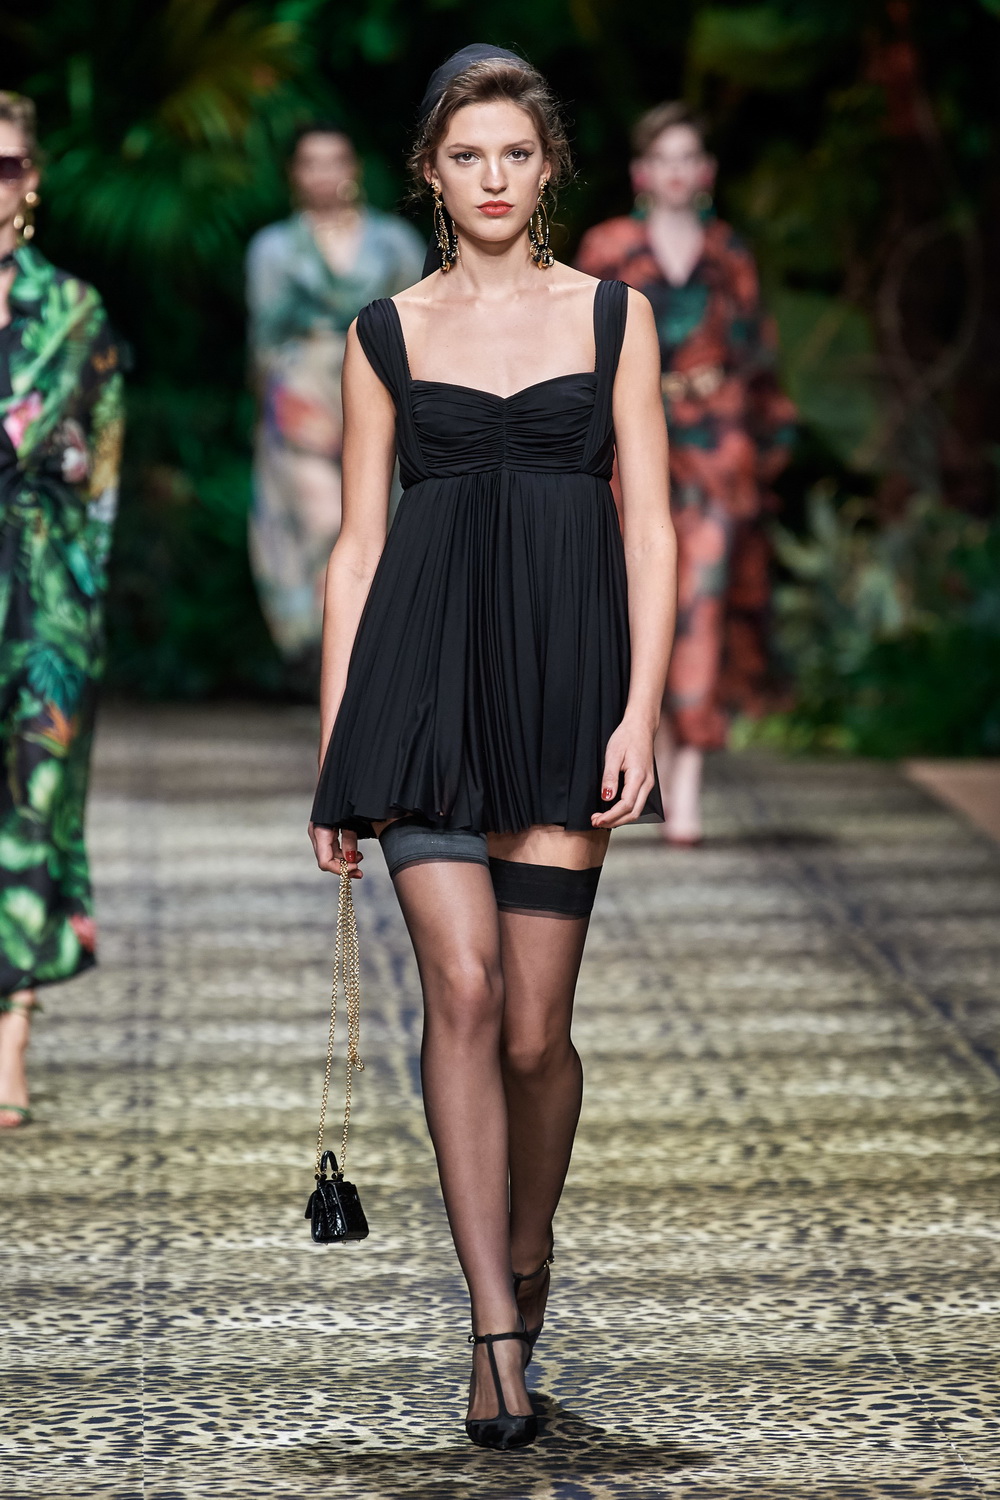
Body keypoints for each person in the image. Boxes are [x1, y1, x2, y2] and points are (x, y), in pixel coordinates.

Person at [308, 46, 675, 1449]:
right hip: (421, 687)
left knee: (534, 1032)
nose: (494, 178)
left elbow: (652, 524)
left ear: (549, 165)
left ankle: (529, 1255)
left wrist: (640, 708)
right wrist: (339, 749)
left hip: (569, 682)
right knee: (459, 991)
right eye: (467, 156)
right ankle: (494, 1332)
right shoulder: (384, 333)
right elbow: (357, 550)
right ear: (431, 175)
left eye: (516, 153)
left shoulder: (614, 318)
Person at [576, 102, 795, 845]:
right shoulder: (608, 247)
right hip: (628, 438)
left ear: (706, 170)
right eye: (662, 157)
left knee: (703, 596)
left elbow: (757, 354)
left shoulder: (729, 252)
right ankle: (651, 753)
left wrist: (765, 445)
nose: (675, 170)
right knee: (637, 595)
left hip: (714, 441)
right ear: (642, 171)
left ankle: (689, 777)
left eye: (687, 157)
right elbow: (577, 349)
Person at [0, 92, 124, 1127]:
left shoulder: (75, 312)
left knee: (34, 806)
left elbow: (103, 479)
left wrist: (79, 605)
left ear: (30, 180)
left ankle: (10, 1036)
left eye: (2, 166)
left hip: (43, 601)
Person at [246, 124, 425, 689]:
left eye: (335, 159)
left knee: (378, 520)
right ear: (294, 173)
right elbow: (263, 337)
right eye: (311, 161)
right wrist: (269, 410)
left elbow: (420, 323)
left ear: (354, 167)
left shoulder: (394, 241)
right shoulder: (274, 247)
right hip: (303, 388)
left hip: (380, 382)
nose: (324, 172)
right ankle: (334, 662)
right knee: (323, 521)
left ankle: (365, 660)